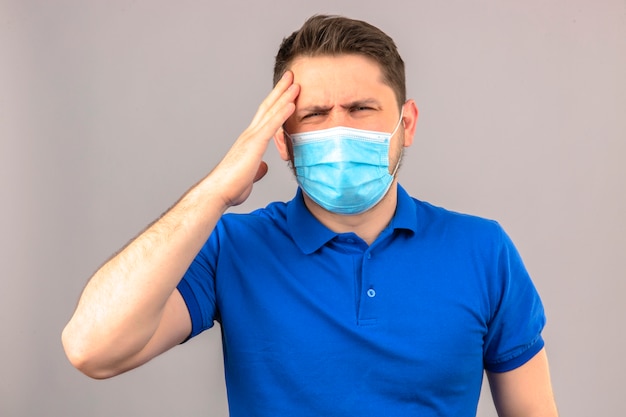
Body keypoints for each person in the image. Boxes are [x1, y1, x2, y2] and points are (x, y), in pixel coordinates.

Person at [62, 14, 558, 416]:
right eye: (315, 115)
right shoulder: (232, 248)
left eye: (361, 108)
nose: (338, 132)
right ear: (281, 137)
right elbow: (92, 348)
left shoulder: (482, 250)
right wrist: (214, 190)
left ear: (405, 125)